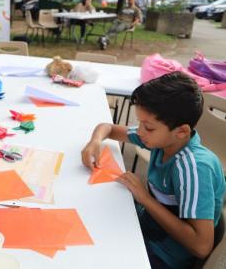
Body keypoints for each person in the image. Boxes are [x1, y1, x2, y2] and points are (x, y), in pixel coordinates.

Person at [81, 72, 225, 268]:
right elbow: (108, 127)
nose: (140, 132)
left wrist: (144, 198)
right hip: (144, 228)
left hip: (163, 256)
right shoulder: (164, 141)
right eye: (140, 122)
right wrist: (95, 141)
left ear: (181, 131)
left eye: (148, 127)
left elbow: (201, 246)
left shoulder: (193, 168)